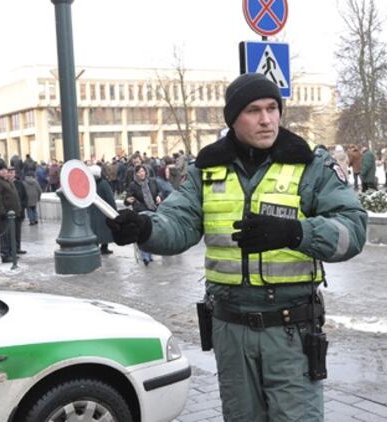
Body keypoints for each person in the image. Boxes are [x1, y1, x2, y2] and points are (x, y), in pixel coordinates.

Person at [107, 73, 367, 421]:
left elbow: (353, 230)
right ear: (233, 119)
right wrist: (145, 227)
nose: (267, 119)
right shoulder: (208, 168)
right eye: (254, 110)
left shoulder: (309, 164)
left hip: (290, 330)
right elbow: (180, 223)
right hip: (230, 330)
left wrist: (296, 233)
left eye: (273, 108)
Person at [124, 164, 162, 265]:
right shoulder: (133, 185)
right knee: (144, 234)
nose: (141, 173)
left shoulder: (152, 182)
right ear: (136, 174)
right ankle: (146, 256)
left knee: (152, 234)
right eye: (139, 172)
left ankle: (149, 253)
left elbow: (159, 192)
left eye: (143, 171)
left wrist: (159, 196)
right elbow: (126, 200)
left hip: (153, 211)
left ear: (146, 172)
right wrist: (128, 200)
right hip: (141, 212)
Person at [0, 162, 23, 263]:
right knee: (5, 235)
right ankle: (5, 254)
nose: (4, 172)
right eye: (1, 170)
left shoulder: (7, 181)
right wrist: (2, 212)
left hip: (12, 213)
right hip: (4, 214)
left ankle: (11, 253)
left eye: (5, 170)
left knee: (11, 234)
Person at [88, 164, 117, 255]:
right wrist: (114, 209)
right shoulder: (104, 183)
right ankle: (104, 248)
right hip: (103, 211)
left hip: (91, 211)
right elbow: (110, 198)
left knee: (94, 230)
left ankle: (95, 247)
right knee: (105, 230)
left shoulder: (88, 184)